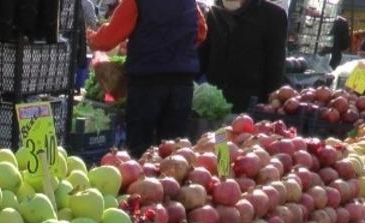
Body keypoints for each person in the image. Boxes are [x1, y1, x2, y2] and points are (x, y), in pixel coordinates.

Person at [88, 0, 207, 156]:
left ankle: (140, 178)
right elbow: (201, 33)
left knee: (139, 149)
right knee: (173, 150)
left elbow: (107, 39)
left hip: (146, 84)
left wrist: (91, 37)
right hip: (181, 84)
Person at [199, 0, 288, 114]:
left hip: (249, 107)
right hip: (211, 104)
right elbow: (202, 57)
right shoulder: (212, 11)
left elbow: (275, 68)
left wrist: (268, 109)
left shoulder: (273, 15)